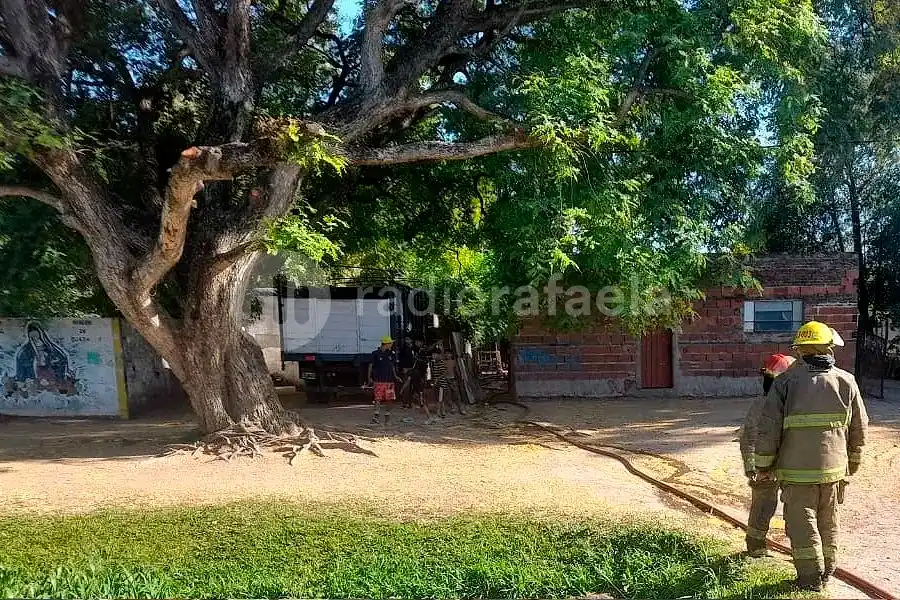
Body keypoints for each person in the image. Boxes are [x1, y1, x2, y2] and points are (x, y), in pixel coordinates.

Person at [754, 321, 868, 591]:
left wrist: (763, 464)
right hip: (834, 472)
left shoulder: (784, 383)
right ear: (829, 347)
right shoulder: (846, 381)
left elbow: (768, 428)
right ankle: (828, 571)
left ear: (801, 349)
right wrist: (852, 463)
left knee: (801, 523)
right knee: (828, 522)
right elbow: (859, 428)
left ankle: (809, 580)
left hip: (796, 474)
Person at [740, 352, 796, 557]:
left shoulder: (792, 405)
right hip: (769, 467)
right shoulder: (763, 405)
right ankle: (756, 548)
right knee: (764, 506)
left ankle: (800, 552)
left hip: (790, 465)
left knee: (795, 509)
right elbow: (749, 437)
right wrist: (753, 467)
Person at [430, 340, 465, 420]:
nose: (447, 355)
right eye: (446, 353)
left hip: (452, 379)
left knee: (456, 394)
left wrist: (459, 378)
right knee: (447, 395)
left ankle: (461, 408)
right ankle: (452, 407)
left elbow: (456, 371)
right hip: (445, 380)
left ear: (451, 354)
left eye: (449, 353)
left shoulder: (453, 362)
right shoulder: (442, 361)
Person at [367, 335, 399, 425]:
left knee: (389, 399)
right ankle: (376, 416)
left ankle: (387, 417)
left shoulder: (391, 354)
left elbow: (392, 366)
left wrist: (395, 376)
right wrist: (369, 377)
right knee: (378, 398)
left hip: (389, 381)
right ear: (386, 344)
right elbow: (370, 366)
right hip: (379, 381)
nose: (391, 344)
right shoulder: (375, 353)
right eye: (390, 343)